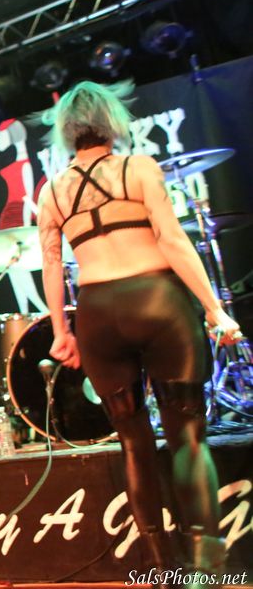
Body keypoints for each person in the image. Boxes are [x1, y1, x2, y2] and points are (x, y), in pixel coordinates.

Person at [36, 80, 242, 586]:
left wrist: (61, 331)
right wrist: (215, 309)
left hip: (98, 315)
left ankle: (161, 567)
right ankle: (206, 571)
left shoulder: (52, 191)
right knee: (188, 438)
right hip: (157, 302)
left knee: (133, 442)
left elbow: (52, 266)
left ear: (67, 132)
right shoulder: (140, 168)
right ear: (112, 122)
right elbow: (172, 240)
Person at [0, 118, 48, 314]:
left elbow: (27, 197)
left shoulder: (25, 165)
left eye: (1, 135)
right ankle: (24, 315)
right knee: (14, 270)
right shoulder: (18, 162)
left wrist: (26, 225)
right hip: (8, 219)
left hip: (17, 220)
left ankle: (44, 312)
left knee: (18, 268)